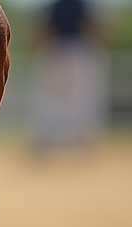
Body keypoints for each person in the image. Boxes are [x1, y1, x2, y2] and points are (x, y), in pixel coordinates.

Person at [29, 0, 108, 151]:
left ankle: (53, 138)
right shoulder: (75, 5)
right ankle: (76, 139)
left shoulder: (63, 6)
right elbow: (94, 25)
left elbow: (43, 29)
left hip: (63, 49)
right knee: (77, 98)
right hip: (70, 49)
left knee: (59, 98)